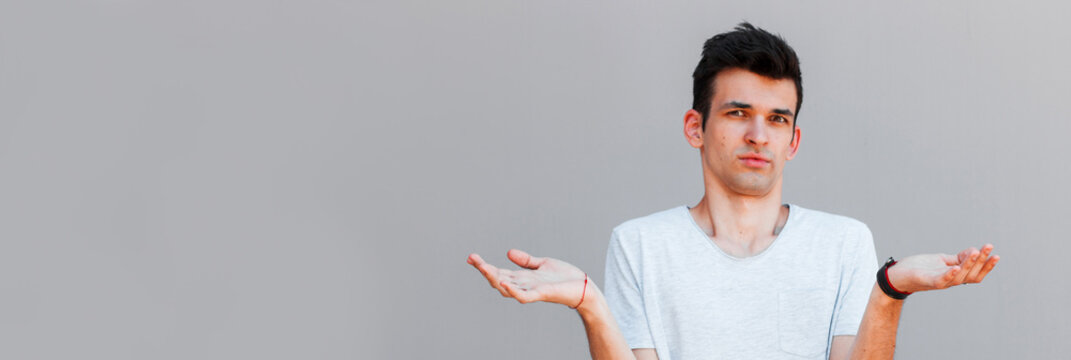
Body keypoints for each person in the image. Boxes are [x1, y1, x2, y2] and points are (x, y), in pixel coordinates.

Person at [466, 22, 999, 360]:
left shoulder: (843, 243)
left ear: (793, 140)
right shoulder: (641, 245)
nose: (757, 135)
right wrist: (590, 306)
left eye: (776, 119)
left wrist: (890, 289)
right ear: (695, 127)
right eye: (738, 113)